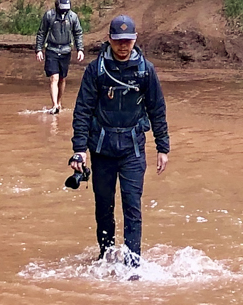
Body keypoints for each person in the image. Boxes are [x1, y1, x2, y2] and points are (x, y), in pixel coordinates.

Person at [69, 14, 169, 270]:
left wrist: (162, 147)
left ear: (135, 39)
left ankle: (133, 265)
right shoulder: (96, 70)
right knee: (104, 206)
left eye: (128, 40)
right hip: (101, 150)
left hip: (133, 150)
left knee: (132, 207)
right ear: (109, 40)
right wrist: (79, 150)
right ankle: (105, 258)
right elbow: (82, 110)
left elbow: (157, 109)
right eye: (118, 41)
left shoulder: (146, 70)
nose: (123, 46)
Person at [34, 0, 84, 114]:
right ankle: (54, 104)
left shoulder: (73, 17)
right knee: (54, 77)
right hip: (52, 50)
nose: (64, 11)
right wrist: (39, 49)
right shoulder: (49, 16)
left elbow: (78, 33)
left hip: (66, 51)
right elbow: (42, 33)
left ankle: (59, 102)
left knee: (62, 78)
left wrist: (80, 49)